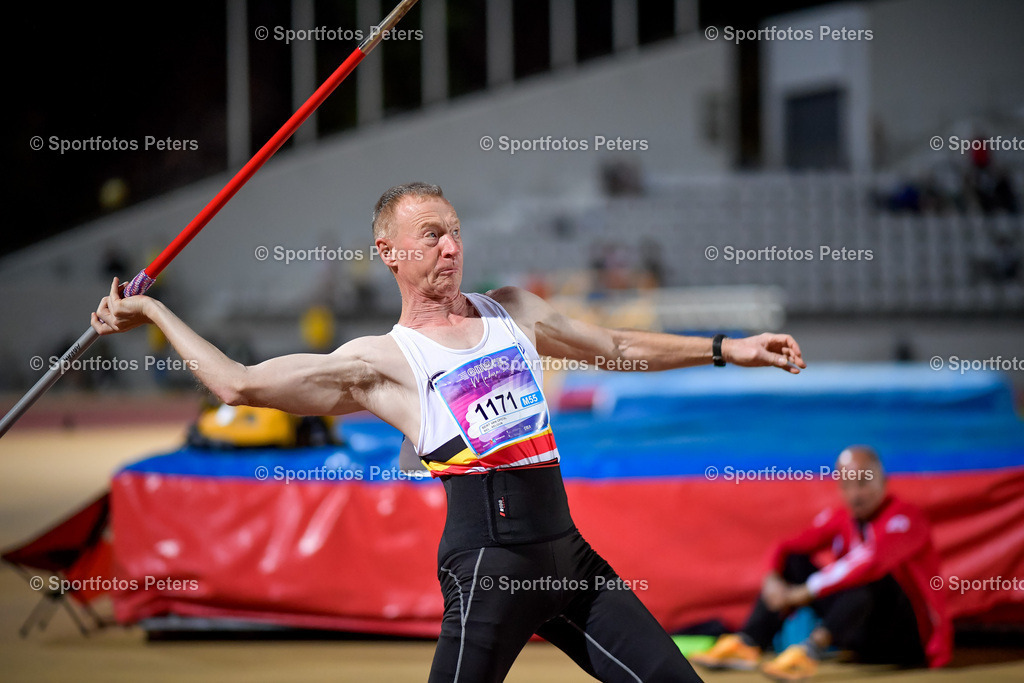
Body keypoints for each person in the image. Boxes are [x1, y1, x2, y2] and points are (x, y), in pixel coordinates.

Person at [91, 182, 806, 682]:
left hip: (570, 560)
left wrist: (726, 346)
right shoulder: (381, 361)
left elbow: (616, 345)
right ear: (390, 251)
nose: (450, 246)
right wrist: (154, 314)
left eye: (456, 230)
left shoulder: (514, 310)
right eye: (431, 235)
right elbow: (238, 383)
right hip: (487, 569)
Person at [692, 446, 952, 680]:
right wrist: (771, 578)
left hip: (907, 642)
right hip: (862, 637)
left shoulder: (906, 520)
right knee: (794, 562)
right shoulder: (842, 519)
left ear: (883, 481)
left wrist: (803, 592)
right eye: (846, 485)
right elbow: (787, 546)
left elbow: (870, 563)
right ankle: (748, 643)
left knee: (874, 578)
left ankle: (810, 650)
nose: (855, 494)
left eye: (863, 482)